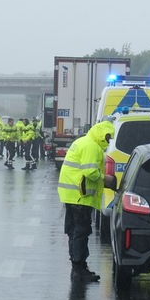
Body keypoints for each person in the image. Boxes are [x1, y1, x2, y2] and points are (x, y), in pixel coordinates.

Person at [57, 120, 115, 282]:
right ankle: (78, 268)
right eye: (108, 137)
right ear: (101, 133)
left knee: (74, 231)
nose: (109, 141)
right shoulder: (92, 146)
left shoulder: (82, 141)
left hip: (71, 195)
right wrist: (106, 179)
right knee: (81, 232)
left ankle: (78, 267)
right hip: (80, 196)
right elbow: (90, 172)